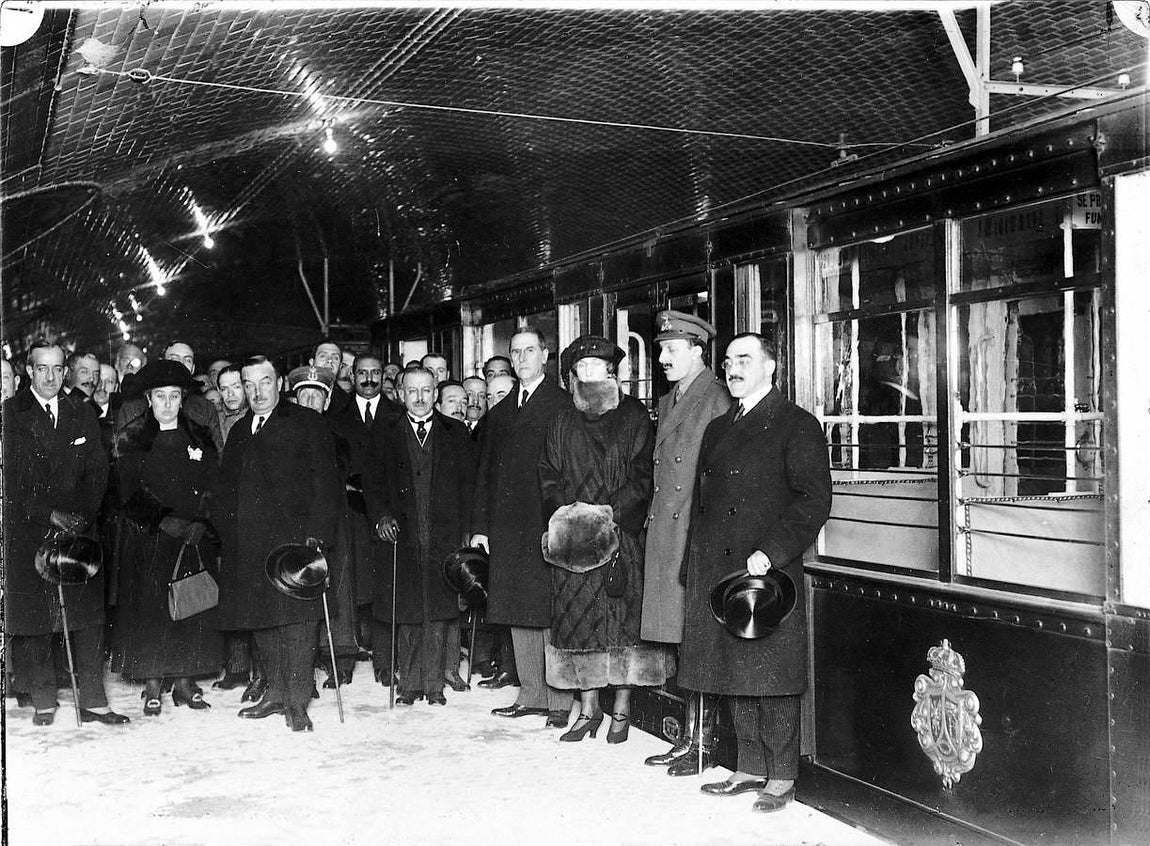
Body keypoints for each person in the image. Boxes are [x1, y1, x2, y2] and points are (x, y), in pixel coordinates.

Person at [679, 333, 831, 813]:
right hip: (719, 565)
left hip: (765, 569)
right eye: (727, 361)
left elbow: (814, 500)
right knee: (731, 666)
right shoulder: (719, 427)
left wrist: (771, 551)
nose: (733, 368)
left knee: (772, 675)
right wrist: (693, 564)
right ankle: (747, 766)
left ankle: (782, 775)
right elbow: (702, 506)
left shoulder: (796, 424)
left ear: (772, 367)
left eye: (745, 360)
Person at [538, 336, 662, 744]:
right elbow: (548, 474)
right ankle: (588, 707)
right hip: (574, 541)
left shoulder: (635, 416)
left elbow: (643, 475)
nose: (590, 373)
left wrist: (609, 517)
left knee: (621, 624)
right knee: (578, 625)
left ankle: (622, 708)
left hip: (619, 536)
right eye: (582, 367)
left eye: (599, 365)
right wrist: (569, 518)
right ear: (573, 374)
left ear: (614, 371)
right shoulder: (560, 420)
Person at [3, 339, 128, 726]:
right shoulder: (11, 413)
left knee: (87, 619)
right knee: (38, 618)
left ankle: (93, 700)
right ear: (29, 371)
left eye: (59, 369)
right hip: (32, 529)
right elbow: (14, 481)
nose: (52, 376)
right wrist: (50, 514)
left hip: (80, 529)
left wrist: (82, 515)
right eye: (44, 368)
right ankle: (43, 699)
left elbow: (98, 468)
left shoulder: (81, 411)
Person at [215, 356, 343, 732]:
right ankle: (274, 692)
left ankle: (298, 700)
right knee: (261, 621)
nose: (257, 392)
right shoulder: (240, 431)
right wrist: (227, 531)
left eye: (264, 383)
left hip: (294, 543)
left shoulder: (306, 423)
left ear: (280, 383)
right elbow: (226, 488)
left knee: (299, 624)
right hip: (250, 545)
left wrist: (318, 534)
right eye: (249, 385)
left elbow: (326, 483)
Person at [641, 311, 732, 774]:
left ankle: (703, 743)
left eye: (671, 349)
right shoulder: (677, 396)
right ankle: (690, 738)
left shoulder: (713, 397)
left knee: (697, 641)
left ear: (698, 350)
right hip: (668, 534)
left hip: (691, 538)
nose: (661, 358)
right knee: (682, 642)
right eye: (660, 349)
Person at [471, 327, 573, 727]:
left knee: (549, 611)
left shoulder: (562, 405)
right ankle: (531, 693)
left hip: (546, 521)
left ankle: (559, 701)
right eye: (516, 352)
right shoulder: (500, 412)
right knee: (517, 608)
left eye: (530, 351)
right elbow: (483, 475)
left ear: (545, 356)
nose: (522, 358)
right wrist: (481, 526)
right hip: (508, 527)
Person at [112, 360, 223, 716]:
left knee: (190, 605)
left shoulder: (199, 436)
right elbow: (128, 490)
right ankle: (152, 681)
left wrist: (200, 521)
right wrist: (163, 521)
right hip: (151, 537)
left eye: (174, 396)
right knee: (151, 607)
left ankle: (186, 681)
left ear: (183, 399)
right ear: (149, 398)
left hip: (192, 537)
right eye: (160, 396)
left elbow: (213, 483)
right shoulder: (133, 437)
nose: (167, 404)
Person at [363, 367, 476, 706]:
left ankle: (434, 685)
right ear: (401, 393)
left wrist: (468, 532)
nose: (420, 397)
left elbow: (469, 487)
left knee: (440, 612)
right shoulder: (384, 433)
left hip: (444, 535)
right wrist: (381, 515)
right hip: (404, 535)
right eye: (412, 391)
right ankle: (410, 684)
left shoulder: (455, 432)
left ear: (435, 391)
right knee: (409, 610)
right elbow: (372, 483)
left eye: (426, 390)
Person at [326, 353, 398, 680]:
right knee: (347, 587)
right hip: (350, 514)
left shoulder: (397, 415)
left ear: (384, 376)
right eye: (362, 373)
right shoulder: (335, 418)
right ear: (352, 376)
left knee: (385, 587)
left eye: (375, 373)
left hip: (387, 515)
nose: (369, 379)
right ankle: (342, 663)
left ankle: (386, 663)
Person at [212, 364, 248, 452]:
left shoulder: (258, 413)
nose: (230, 394)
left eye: (236, 387)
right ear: (218, 390)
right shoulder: (213, 417)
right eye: (224, 389)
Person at [310, 338, 351, 414]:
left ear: (340, 366)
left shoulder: (348, 402)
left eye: (335, 358)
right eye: (323, 356)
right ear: (312, 362)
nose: (329, 360)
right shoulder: (293, 397)